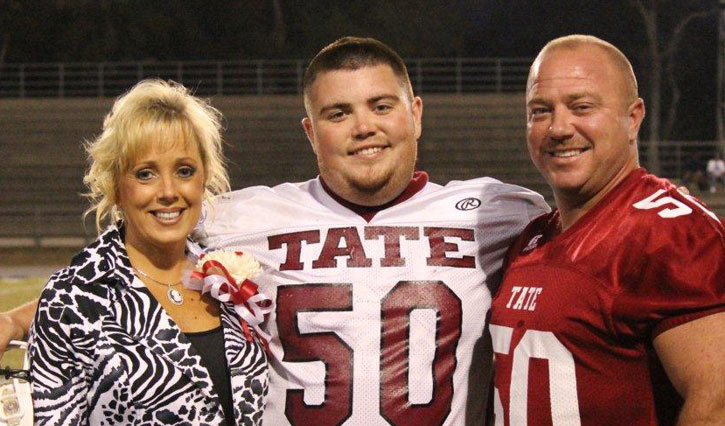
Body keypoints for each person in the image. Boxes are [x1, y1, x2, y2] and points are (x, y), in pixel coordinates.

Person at [1, 37, 550, 424]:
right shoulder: (239, 218)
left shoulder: (496, 212)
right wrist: (19, 318)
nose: (364, 127)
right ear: (311, 132)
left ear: (417, 114)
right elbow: (136, 266)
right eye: (338, 113)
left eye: (382, 106)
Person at [489, 35, 725, 425]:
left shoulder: (671, 232)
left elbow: (716, 403)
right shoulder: (532, 237)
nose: (558, 127)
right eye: (540, 111)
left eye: (581, 107)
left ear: (633, 118)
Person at [27, 80, 268, 425]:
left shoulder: (225, 277)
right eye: (145, 174)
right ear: (115, 186)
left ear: (203, 178)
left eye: (184, 171)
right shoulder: (73, 298)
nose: (168, 191)